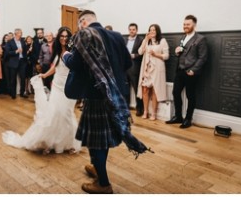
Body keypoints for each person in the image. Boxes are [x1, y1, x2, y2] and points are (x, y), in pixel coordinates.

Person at [64, 10, 149, 194]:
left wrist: (66, 56)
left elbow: (76, 65)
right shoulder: (117, 36)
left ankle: (103, 183)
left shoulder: (84, 35)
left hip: (96, 96)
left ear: (83, 22)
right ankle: (97, 167)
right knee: (101, 138)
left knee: (97, 141)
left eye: (80, 25)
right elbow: (127, 63)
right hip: (117, 94)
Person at [3, 27, 81, 154]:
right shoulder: (56, 50)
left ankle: (71, 142)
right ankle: (50, 142)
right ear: (58, 37)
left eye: (66, 36)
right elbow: (56, 67)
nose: (64, 38)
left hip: (69, 87)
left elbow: (78, 69)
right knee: (53, 113)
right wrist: (44, 75)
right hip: (56, 86)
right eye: (62, 36)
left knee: (67, 114)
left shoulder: (74, 51)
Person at [166, 15, 208, 129]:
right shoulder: (182, 38)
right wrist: (176, 52)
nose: (185, 26)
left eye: (188, 24)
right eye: (184, 24)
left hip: (191, 72)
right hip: (180, 70)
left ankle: (188, 119)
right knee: (175, 93)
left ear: (194, 25)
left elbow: (202, 57)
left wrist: (193, 70)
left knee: (190, 95)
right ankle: (178, 116)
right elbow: (181, 53)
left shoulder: (200, 39)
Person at [137, 24, 169, 120]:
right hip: (147, 69)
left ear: (157, 31)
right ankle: (146, 111)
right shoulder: (147, 41)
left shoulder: (162, 41)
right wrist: (145, 40)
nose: (152, 32)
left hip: (157, 69)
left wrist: (156, 54)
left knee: (155, 91)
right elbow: (140, 52)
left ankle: (153, 113)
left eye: (154, 30)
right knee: (145, 90)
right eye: (150, 30)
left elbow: (166, 56)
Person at [125, 23, 144, 117]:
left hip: (135, 68)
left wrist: (134, 55)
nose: (132, 31)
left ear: (136, 30)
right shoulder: (125, 40)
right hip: (125, 68)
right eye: (130, 29)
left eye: (133, 29)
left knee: (137, 89)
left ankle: (139, 108)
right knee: (125, 89)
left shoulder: (141, 40)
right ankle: (126, 107)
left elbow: (142, 53)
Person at [4, 29, 29, 99]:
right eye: (20, 33)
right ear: (16, 34)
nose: (21, 34)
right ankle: (13, 94)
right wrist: (16, 51)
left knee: (23, 78)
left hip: (22, 62)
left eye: (21, 32)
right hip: (13, 62)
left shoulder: (22, 41)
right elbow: (8, 52)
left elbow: (25, 50)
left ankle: (22, 93)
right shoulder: (9, 42)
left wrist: (25, 58)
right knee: (13, 79)